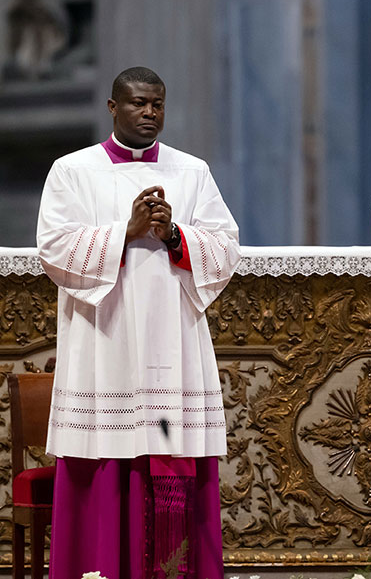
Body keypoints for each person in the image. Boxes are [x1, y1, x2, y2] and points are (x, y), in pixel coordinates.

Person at [36, 66, 240, 579]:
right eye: (138, 104)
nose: (150, 113)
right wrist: (122, 233)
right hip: (104, 342)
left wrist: (174, 235)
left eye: (157, 104)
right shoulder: (72, 171)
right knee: (105, 455)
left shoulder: (191, 172)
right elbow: (55, 248)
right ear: (113, 108)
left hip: (172, 343)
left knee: (170, 448)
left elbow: (225, 247)